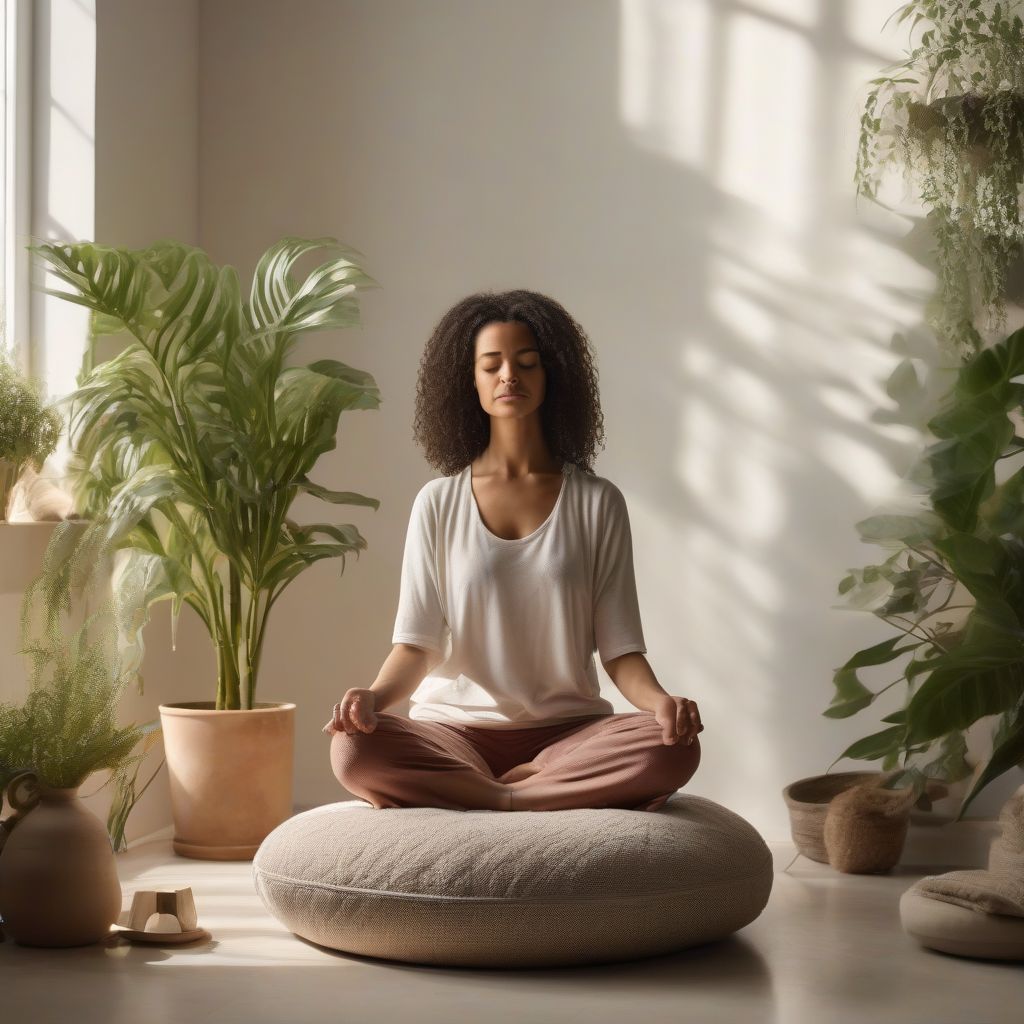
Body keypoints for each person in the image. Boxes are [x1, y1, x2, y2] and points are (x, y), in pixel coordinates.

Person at [323, 290, 703, 812]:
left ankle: (490, 794)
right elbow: (416, 645)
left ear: (552, 379)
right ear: (470, 381)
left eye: (527, 363)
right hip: (454, 735)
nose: (509, 376)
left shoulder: (597, 502)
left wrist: (662, 704)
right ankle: (516, 795)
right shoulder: (437, 502)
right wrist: (372, 699)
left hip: (570, 736)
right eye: (492, 364)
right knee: (353, 750)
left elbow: (619, 650)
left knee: (670, 749)